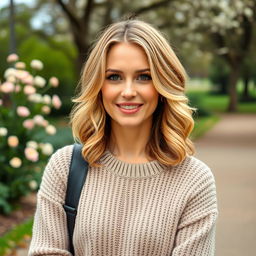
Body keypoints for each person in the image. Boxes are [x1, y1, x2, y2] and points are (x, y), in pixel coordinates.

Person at [29, 18, 218, 256]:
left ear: (163, 85)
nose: (128, 92)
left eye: (144, 77)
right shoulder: (65, 167)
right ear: (98, 86)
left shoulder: (194, 181)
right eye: (114, 77)